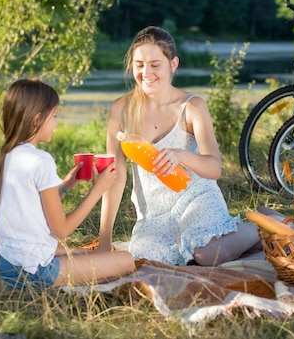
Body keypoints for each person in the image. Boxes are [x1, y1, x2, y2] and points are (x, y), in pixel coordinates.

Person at [98, 26, 261, 266]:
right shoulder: (120, 110)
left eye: (155, 65)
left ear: (173, 64)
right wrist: (104, 240)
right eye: (139, 64)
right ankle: (244, 233)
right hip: (155, 213)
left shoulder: (192, 106)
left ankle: (262, 227)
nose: (146, 73)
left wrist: (181, 154)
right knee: (149, 260)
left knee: (204, 253)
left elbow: (214, 168)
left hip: (197, 198)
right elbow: (114, 177)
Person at [0, 78, 135, 289]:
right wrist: (98, 189)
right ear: (37, 119)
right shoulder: (41, 160)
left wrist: (66, 184)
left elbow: (32, 204)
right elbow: (61, 231)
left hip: (7, 263)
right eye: (54, 116)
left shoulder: (7, 156)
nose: (56, 123)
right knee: (127, 260)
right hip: (36, 271)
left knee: (90, 253)